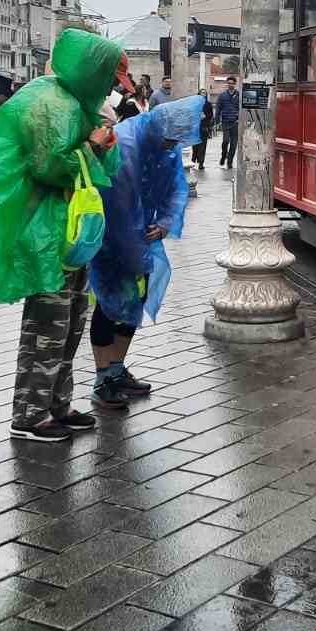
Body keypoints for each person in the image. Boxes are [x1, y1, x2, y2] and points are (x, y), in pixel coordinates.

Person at [0, 29, 130, 443]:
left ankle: (56, 403)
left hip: (65, 231)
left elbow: (97, 167)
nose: (112, 87)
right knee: (49, 323)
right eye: (109, 77)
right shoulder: (49, 103)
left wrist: (101, 144)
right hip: (43, 232)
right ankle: (29, 414)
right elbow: (50, 166)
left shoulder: (73, 101)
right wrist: (94, 146)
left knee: (71, 320)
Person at [88, 96, 204, 406]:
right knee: (108, 305)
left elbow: (176, 186)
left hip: (140, 235)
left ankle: (116, 369)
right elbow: (120, 205)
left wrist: (166, 221)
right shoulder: (126, 144)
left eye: (177, 140)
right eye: (170, 139)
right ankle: (103, 380)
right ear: (160, 129)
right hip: (113, 238)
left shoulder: (161, 144)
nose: (172, 145)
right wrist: (136, 253)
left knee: (133, 302)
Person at [216, 75, 240, 168]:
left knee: (234, 145)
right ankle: (223, 155)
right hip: (225, 122)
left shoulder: (239, 95)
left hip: (236, 123)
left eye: (232, 83)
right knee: (225, 141)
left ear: (235, 84)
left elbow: (242, 109)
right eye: (229, 83)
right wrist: (217, 121)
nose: (230, 85)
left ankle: (229, 162)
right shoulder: (222, 96)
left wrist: (239, 118)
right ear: (227, 84)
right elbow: (218, 108)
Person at [192, 88, 214, 170]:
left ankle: (201, 163)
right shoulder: (194, 103)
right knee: (195, 145)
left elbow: (211, 115)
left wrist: (206, 116)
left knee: (203, 145)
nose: (203, 94)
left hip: (204, 126)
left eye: (204, 93)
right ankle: (193, 160)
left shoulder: (208, 104)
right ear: (199, 94)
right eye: (201, 93)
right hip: (195, 127)